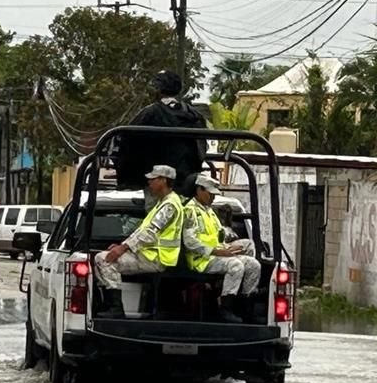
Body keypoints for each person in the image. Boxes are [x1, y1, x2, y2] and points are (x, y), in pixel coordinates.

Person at [94, 165, 185, 318]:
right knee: (104, 257)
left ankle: (116, 308)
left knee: (104, 260)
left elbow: (149, 233)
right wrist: (123, 246)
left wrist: (123, 248)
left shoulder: (170, 205)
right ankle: (113, 306)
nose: (149, 182)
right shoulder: (162, 202)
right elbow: (142, 230)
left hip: (157, 258)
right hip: (149, 254)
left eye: (153, 179)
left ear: (163, 180)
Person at [182, 174, 261, 323]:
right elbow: (189, 241)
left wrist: (230, 247)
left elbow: (219, 236)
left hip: (217, 253)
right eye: (210, 194)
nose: (213, 198)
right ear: (199, 190)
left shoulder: (209, 211)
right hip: (202, 259)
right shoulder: (190, 211)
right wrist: (217, 251)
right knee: (235, 265)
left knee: (253, 264)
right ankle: (225, 309)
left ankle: (245, 307)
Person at [114, 70, 207, 198]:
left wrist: (129, 180)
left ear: (158, 90)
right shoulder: (194, 116)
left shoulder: (149, 114)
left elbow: (127, 142)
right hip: (186, 185)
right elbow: (201, 149)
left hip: (157, 184)